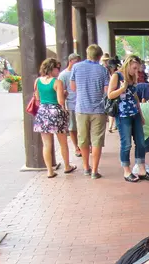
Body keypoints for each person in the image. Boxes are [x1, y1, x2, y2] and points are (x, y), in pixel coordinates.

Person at [108, 55, 149, 183]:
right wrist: (122, 88)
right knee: (126, 143)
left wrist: (141, 114)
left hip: (135, 113)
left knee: (141, 142)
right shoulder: (117, 76)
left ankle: (141, 169)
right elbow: (110, 95)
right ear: (128, 65)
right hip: (122, 114)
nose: (136, 71)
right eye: (134, 68)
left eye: (138, 69)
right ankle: (126, 171)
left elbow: (135, 97)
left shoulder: (133, 77)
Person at [70, 44, 110, 179]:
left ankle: (86, 167)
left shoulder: (76, 67)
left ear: (87, 54)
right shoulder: (103, 70)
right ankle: (95, 170)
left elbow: (73, 87)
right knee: (97, 140)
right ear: (99, 56)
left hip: (81, 108)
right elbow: (106, 91)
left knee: (83, 139)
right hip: (98, 109)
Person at [33, 58, 76, 178]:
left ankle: (49, 171)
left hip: (42, 112)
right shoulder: (57, 82)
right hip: (56, 113)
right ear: (51, 68)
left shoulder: (37, 81)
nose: (59, 70)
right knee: (63, 143)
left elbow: (37, 98)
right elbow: (60, 101)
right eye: (57, 68)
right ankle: (67, 166)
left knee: (46, 144)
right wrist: (65, 94)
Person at [58, 53, 82, 157]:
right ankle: (76, 147)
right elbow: (60, 90)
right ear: (71, 61)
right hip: (71, 103)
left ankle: (83, 145)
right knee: (73, 127)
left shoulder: (80, 72)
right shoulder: (63, 75)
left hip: (81, 103)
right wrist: (63, 105)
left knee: (82, 126)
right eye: (76, 62)